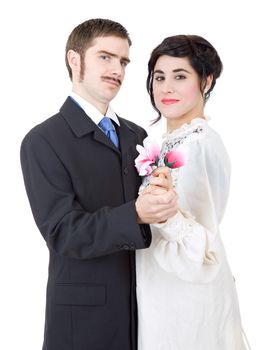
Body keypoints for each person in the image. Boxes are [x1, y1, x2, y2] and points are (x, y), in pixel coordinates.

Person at [20, 19, 178, 350]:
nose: (116, 70)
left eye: (122, 61)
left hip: (146, 309)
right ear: (74, 60)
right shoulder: (43, 140)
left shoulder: (136, 135)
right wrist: (134, 213)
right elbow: (62, 232)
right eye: (105, 57)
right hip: (85, 319)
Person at [136, 35, 250, 349]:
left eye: (180, 76)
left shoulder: (198, 143)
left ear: (207, 81)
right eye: (159, 77)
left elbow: (200, 246)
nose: (166, 87)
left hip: (185, 297)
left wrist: (163, 214)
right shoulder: (172, 143)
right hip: (160, 289)